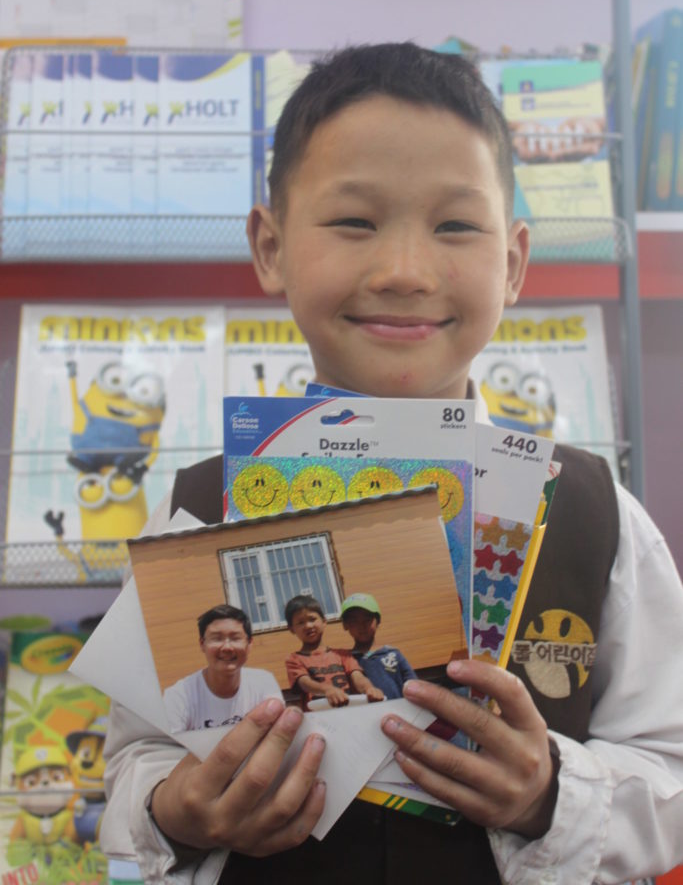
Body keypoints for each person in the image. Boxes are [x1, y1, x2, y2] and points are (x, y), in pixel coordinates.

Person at [101, 43, 683, 885]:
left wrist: (551, 793)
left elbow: (669, 770)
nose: (405, 272)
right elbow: (131, 769)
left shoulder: (595, 513)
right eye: (354, 222)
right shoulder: (199, 507)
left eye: (455, 225)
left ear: (513, 262)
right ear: (269, 247)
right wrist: (174, 809)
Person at [163, 604, 283, 733]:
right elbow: (170, 749)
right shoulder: (179, 695)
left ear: (249, 644)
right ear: (202, 644)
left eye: (235, 638)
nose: (227, 647)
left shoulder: (264, 681)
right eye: (217, 638)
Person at [283, 594, 384, 710]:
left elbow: (357, 677)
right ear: (291, 629)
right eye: (300, 622)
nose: (308, 626)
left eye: (312, 619)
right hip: (318, 718)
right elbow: (304, 683)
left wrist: (369, 688)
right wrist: (327, 690)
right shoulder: (294, 659)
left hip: (349, 713)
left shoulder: (343, 654)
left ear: (324, 621)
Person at [339, 593, 417, 701]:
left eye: (367, 620)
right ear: (345, 625)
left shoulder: (393, 654)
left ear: (378, 621)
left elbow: (414, 686)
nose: (361, 626)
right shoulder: (346, 660)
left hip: (398, 714)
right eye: (354, 621)